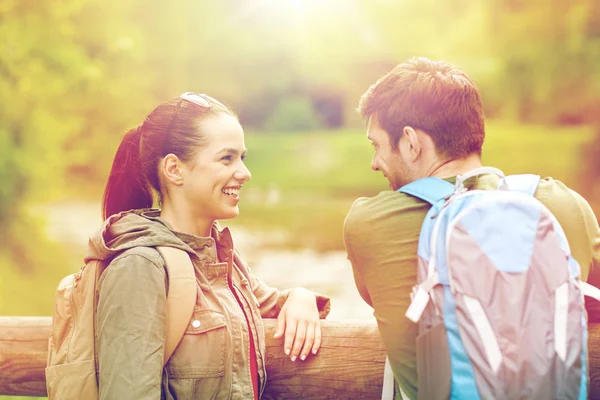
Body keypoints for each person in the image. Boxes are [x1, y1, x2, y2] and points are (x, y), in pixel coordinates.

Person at [343, 57, 600, 400]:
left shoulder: (369, 224)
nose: (375, 162)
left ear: (410, 141)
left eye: (376, 145)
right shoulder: (566, 206)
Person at [91, 92, 330, 399]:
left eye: (241, 158)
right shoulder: (140, 267)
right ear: (175, 169)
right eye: (226, 158)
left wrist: (301, 297)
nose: (245, 173)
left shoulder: (221, 258)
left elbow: (269, 303)